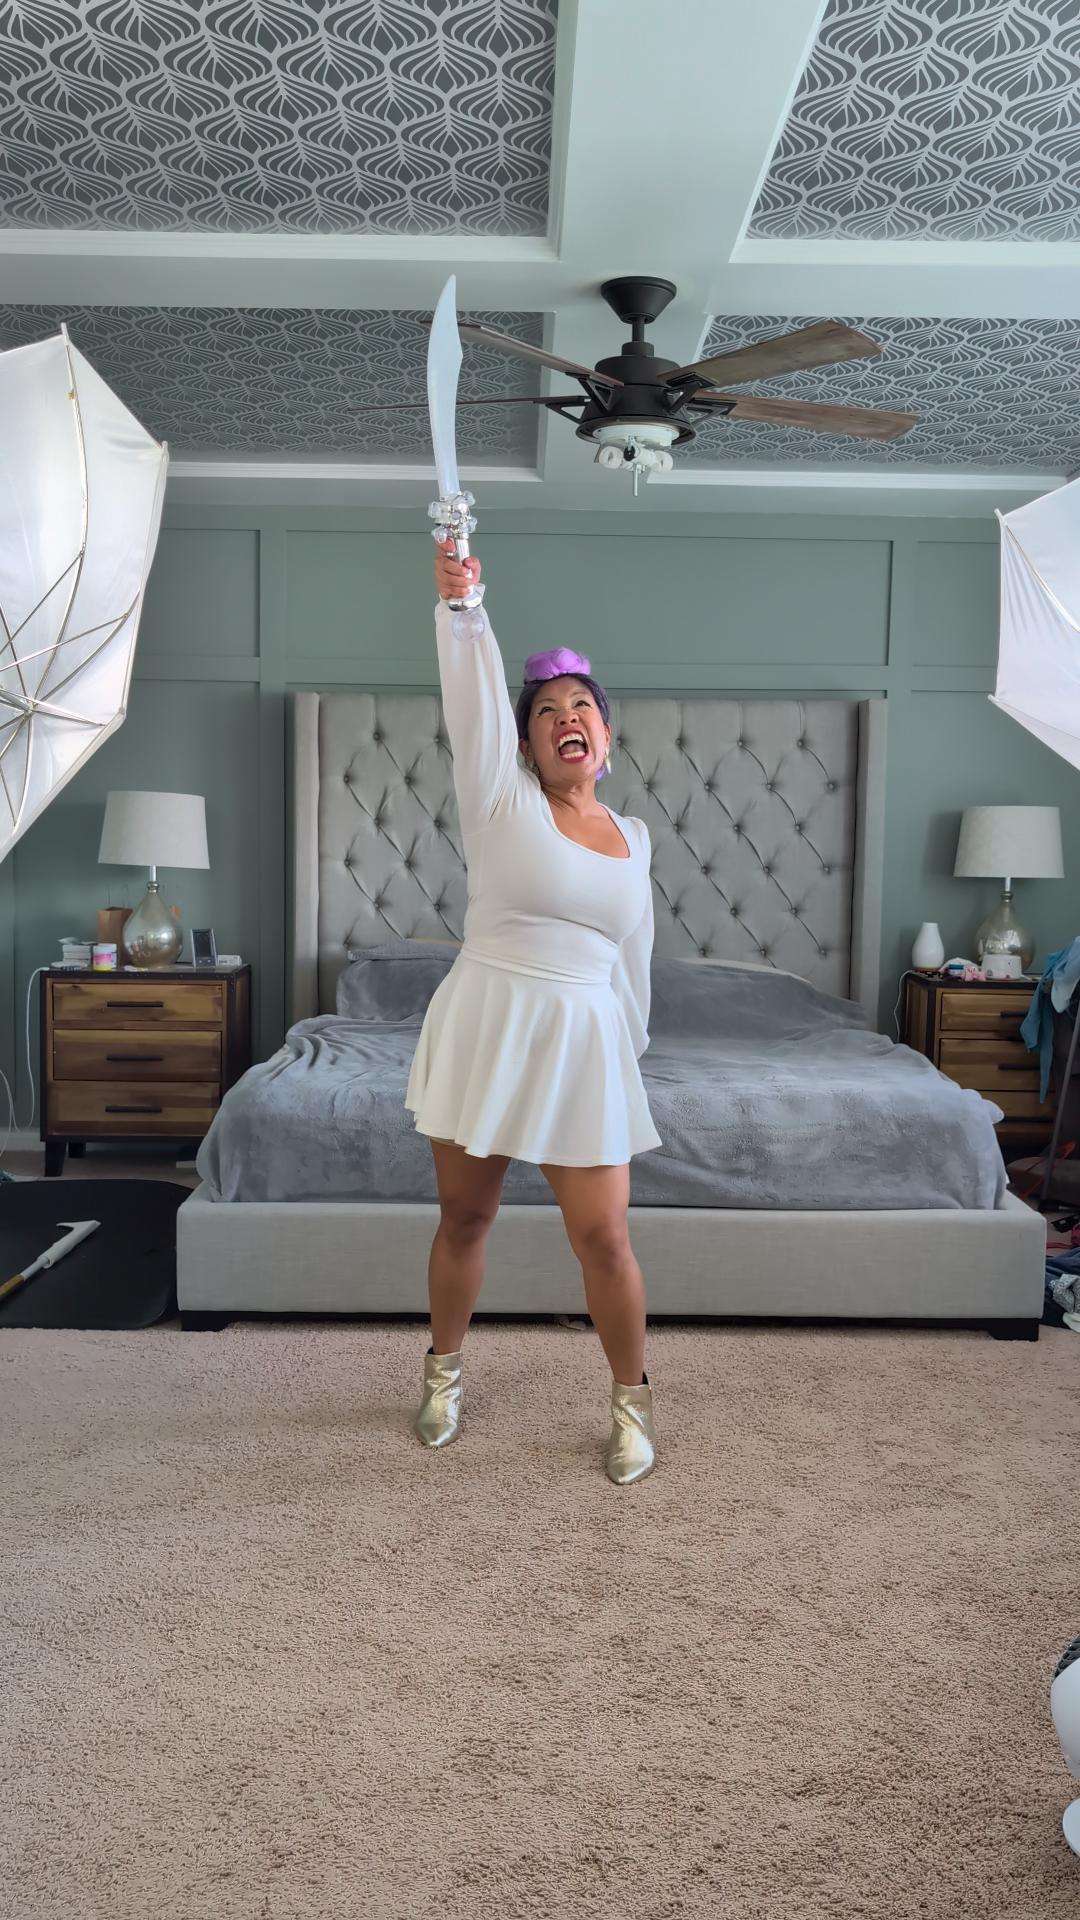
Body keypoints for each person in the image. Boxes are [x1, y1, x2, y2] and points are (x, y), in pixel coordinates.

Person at [406, 538, 662, 1485]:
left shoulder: (635, 838)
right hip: (489, 1020)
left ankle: (632, 1402)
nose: (567, 717)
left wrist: (625, 1061)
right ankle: (442, 1372)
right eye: (547, 710)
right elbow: (471, 698)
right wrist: (464, 607)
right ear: (522, 744)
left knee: (605, 1238)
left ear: (607, 738)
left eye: (582, 708)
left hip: (582, 1039)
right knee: (464, 1218)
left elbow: (633, 962)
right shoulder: (499, 800)